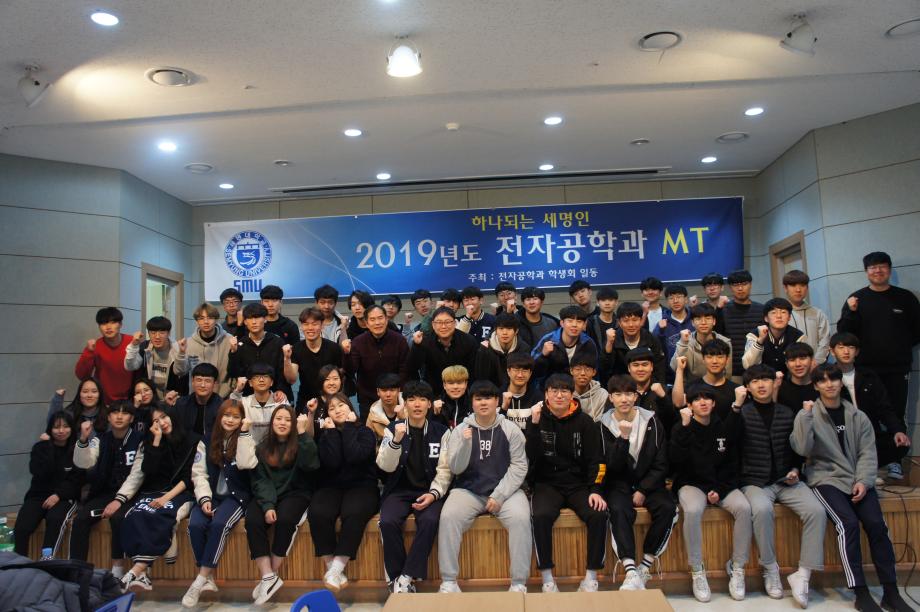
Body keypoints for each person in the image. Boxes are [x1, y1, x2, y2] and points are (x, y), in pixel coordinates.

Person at [791, 363, 914, 612]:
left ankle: (891, 592)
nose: (829, 384)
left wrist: (863, 481)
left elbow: (868, 453)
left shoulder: (858, 417)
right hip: (825, 480)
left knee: (877, 525)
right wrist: (805, 416)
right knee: (847, 524)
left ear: (841, 383)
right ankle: (861, 592)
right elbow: (802, 448)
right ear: (816, 386)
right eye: (823, 381)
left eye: (834, 379)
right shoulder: (808, 414)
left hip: (857, 478)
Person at [730, 364, 826, 608]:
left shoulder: (786, 412)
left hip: (787, 480)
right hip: (754, 481)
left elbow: (796, 447)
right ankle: (770, 568)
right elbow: (730, 443)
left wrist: (795, 469)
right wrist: (736, 407)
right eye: (755, 381)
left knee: (816, 511)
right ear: (748, 387)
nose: (761, 385)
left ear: (775, 383)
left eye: (766, 379)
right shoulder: (742, 413)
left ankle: (803, 574)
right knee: (762, 510)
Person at [437, 381, 531, 594]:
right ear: (472, 402)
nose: (483, 403)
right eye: (478, 399)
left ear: (497, 401)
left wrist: (500, 495)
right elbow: (455, 468)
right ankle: (449, 581)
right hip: (469, 490)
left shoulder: (511, 429)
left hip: (506, 491)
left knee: (521, 518)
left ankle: (518, 583)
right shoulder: (460, 430)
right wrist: (464, 444)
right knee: (449, 516)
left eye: (488, 398)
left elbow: (519, 466)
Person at [670, 385, 750, 602]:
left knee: (744, 507)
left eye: (707, 399)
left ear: (714, 403)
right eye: (697, 399)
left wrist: (719, 490)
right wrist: (684, 428)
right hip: (692, 484)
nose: (703, 402)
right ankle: (697, 570)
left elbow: (732, 464)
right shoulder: (682, 426)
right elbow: (675, 461)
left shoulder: (723, 426)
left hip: (721, 485)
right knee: (693, 510)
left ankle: (738, 567)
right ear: (689, 405)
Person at [527, 373, 607, 593]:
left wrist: (596, 489)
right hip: (547, 484)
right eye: (554, 391)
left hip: (578, 484)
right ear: (546, 395)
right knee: (540, 516)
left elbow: (597, 460)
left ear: (572, 395)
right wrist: (533, 426)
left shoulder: (585, 422)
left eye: (564, 391)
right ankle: (547, 578)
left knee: (598, 513)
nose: (559, 395)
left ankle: (591, 576)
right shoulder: (537, 419)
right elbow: (530, 456)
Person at [600, 375, 676, 591]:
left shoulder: (652, 421)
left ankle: (645, 566)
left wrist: (643, 489)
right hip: (619, 484)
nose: (624, 399)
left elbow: (661, 463)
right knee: (617, 509)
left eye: (628, 394)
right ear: (611, 398)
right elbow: (611, 466)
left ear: (635, 396)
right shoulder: (602, 425)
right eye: (618, 394)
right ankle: (630, 570)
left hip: (649, 483)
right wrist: (623, 439)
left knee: (668, 508)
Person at [376, 380, 452, 593]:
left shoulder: (442, 432)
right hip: (398, 491)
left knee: (430, 520)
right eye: (411, 399)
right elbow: (385, 466)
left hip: (429, 491)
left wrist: (434, 494)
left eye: (422, 399)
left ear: (429, 404)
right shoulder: (392, 429)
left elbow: (445, 469)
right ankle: (396, 577)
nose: (417, 404)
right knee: (387, 521)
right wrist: (396, 441)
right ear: (405, 404)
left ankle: (406, 576)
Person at [182, 399, 258, 608]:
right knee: (195, 525)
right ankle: (207, 577)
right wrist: (204, 498)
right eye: (227, 415)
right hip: (211, 496)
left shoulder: (246, 437)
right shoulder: (206, 440)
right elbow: (199, 473)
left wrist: (244, 434)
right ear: (219, 417)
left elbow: (246, 464)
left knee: (219, 525)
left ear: (242, 419)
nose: (230, 420)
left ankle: (199, 580)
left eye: (236, 416)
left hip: (236, 497)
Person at [119, 403, 199, 593]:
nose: (161, 423)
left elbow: (188, 478)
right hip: (153, 492)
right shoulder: (150, 442)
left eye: (164, 417)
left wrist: (166, 498)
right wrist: (156, 440)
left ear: (172, 415)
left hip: (180, 493)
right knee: (136, 514)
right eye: (155, 421)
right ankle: (141, 573)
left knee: (160, 513)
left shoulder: (192, 440)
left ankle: (135, 571)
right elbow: (149, 471)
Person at [246, 405, 319, 605]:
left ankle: (270, 575)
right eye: (278, 418)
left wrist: (303, 434)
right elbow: (261, 480)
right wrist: (268, 505)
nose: (283, 423)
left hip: (296, 493)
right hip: (268, 494)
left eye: (288, 420)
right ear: (272, 422)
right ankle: (268, 576)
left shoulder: (301, 441)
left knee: (286, 519)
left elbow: (311, 465)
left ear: (294, 424)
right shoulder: (262, 447)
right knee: (252, 519)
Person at [837, 251, 920, 424]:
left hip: (898, 369)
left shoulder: (906, 298)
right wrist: (851, 312)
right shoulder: (856, 299)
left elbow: (917, 331)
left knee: (897, 414)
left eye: (882, 266)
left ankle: (897, 442)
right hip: (865, 368)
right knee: (867, 416)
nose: (878, 270)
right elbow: (844, 334)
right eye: (873, 267)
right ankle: (872, 444)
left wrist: (900, 346)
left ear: (889, 269)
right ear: (866, 271)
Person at [308, 394, 379, 592]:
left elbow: (354, 456)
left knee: (354, 512)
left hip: (362, 485)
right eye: (331, 408)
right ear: (327, 414)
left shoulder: (365, 432)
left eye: (341, 405)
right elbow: (333, 462)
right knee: (318, 512)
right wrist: (331, 433)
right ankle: (332, 568)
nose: (337, 410)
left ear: (350, 408)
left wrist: (348, 428)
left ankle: (336, 568)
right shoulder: (325, 435)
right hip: (331, 486)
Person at [69, 401, 141, 577]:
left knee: (118, 518)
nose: (119, 416)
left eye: (124, 413)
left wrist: (119, 500)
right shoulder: (100, 439)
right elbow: (84, 463)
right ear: (108, 417)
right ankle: (77, 570)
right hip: (105, 493)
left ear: (131, 418)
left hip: (133, 495)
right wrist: (83, 439)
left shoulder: (140, 439)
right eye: (115, 412)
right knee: (81, 519)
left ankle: (117, 571)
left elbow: (137, 475)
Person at [830, 332, 912, 481]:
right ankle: (855, 471)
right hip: (840, 433)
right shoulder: (827, 376)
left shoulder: (868, 376)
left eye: (851, 347)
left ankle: (866, 468)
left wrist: (897, 431)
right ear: (832, 351)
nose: (846, 351)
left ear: (857, 352)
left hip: (868, 431)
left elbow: (884, 408)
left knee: (901, 444)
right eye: (841, 347)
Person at [14, 412, 82, 558]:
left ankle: (47, 560)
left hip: (64, 497)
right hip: (38, 495)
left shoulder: (78, 449)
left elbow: (76, 481)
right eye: (56, 427)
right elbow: (38, 472)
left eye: (65, 426)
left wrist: (58, 495)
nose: (61, 431)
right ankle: (19, 563)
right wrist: (49, 448)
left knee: (55, 519)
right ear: (50, 429)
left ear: (72, 428)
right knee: (22, 527)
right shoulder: (40, 448)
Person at [347, 304, 410, 418]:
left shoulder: (399, 340)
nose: (377, 323)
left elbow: (405, 370)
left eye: (380, 318)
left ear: (386, 320)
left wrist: (398, 393)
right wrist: (346, 354)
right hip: (367, 398)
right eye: (372, 319)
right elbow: (351, 370)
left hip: (394, 396)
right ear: (366, 323)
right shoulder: (358, 342)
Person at [408, 306, 481, 397]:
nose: (443, 326)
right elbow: (413, 367)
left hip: (463, 392)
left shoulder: (468, 341)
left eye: (447, 322)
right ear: (433, 325)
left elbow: (475, 372)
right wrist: (417, 346)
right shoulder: (425, 341)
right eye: (439, 322)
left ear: (455, 323)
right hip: (433, 393)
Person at [227, 303, 294, 400]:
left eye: (257, 317)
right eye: (250, 318)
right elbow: (233, 373)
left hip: (274, 395)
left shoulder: (277, 342)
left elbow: (282, 371)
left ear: (265, 319)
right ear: (245, 322)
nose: (254, 322)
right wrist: (233, 352)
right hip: (248, 397)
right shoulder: (240, 344)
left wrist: (281, 389)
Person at [289, 307, 346, 413]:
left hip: (331, 399)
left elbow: (341, 376)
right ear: (301, 326)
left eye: (315, 324)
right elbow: (291, 379)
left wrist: (338, 400)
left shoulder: (334, 348)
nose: (310, 328)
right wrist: (286, 358)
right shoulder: (296, 349)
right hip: (306, 399)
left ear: (322, 325)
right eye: (306, 324)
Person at [75, 306, 134, 404]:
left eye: (113, 322)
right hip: (103, 401)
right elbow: (82, 376)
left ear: (120, 324)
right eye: (103, 323)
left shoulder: (132, 342)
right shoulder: (95, 346)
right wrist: (89, 352)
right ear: (99, 327)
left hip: (131, 400)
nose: (108, 327)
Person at [124, 316, 189, 399]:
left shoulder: (177, 349)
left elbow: (180, 372)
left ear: (168, 333)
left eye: (162, 333)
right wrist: (134, 345)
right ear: (148, 333)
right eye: (153, 333)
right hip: (149, 399)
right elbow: (130, 367)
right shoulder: (144, 347)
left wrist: (181, 354)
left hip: (172, 398)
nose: (157, 337)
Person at [532, 305, 599, 387]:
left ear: (584, 325)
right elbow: (532, 370)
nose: (574, 325)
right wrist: (543, 356)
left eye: (579, 321)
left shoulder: (588, 343)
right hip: (551, 388)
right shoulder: (548, 340)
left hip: (578, 388)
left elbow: (593, 371)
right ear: (562, 323)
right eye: (570, 321)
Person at [672, 340, 740, 419]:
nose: (714, 361)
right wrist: (680, 370)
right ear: (703, 359)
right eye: (709, 357)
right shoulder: (693, 387)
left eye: (720, 357)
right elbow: (678, 403)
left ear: (727, 359)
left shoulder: (736, 390)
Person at [605, 302, 666, 384]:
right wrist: (609, 344)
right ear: (619, 323)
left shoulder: (651, 339)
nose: (631, 325)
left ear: (641, 320)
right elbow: (605, 370)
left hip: (648, 386)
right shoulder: (612, 339)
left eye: (635, 320)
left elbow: (660, 370)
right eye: (626, 321)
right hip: (621, 386)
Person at [229, 363, 290, 444]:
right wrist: (237, 390)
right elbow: (230, 410)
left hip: (275, 447)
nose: (261, 380)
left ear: (271, 382)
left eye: (265, 376)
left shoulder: (280, 401)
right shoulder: (244, 402)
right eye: (256, 377)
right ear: (250, 383)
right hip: (248, 447)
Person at [742, 298, 804, 375]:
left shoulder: (798, 336)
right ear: (766, 318)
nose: (779, 316)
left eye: (783, 312)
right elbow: (748, 365)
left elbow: (800, 365)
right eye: (773, 312)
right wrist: (760, 341)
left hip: (788, 380)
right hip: (761, 379)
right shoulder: (754, 335)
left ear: (789, 317)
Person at [670, 303, 733, 379]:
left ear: (714, 321)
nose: (703, 323)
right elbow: (674, 367)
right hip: (691, 385)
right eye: (698, 319)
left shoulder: (725, 342)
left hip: (717, 384)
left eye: (708, 318)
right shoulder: (686, 341)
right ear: (692, 322)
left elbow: (727, 374)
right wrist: (683, 344)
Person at [721, 269, 764, 378]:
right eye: (735, 285)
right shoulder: (723, 311)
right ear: (730, 287)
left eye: (744, 284)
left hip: (758, 370)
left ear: (750, 285)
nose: (740, 288)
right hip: (731, 371)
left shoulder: (762, 310)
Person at [185, 302, 234, 397]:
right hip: (196, 396)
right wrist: (181, 354)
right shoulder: (189, 343)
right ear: (197, 321)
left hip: (223, 395)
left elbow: (234, 370)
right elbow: (180, 371)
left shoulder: (229, 340)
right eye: (201, 318)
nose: (206, 322)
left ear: (216, 320)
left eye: (210, 318)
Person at [783, 270, 831, 365]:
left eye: (802, 285)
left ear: (807, 288)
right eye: (793, 285)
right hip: (789, 367)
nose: (798, 290)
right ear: (785, 288)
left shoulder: (818, 314)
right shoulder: (780, 315)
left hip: (816, 367)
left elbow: (825, 341)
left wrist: (816, 362)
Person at [475, 312, 531, 388]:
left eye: (509, 329)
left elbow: (524, 376)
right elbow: (482, 379)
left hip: (515, 390)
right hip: (491, 392)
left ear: (516, 331)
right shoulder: (485, 349)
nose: (504, 333)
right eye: (501, 328)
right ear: (495, 330)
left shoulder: (524, 348)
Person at [171, 363, 223, 437]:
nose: (202, 385)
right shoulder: (181, 404)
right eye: (199, 380)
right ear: (192, 381)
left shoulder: (221, 406)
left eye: (207, 381)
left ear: (214, 384)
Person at [656, 284, 694, 375]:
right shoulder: (662, 323)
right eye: (671, 298)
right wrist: (661, 332)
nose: (675, 301)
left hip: (695, 373)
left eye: (679, 297)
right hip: (671, 374)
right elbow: (657, 349)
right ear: (667, 302)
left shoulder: (695, 320)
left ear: (686, 299)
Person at [500, 353, 541, 429]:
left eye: (524, 370)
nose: (520, 375)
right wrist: (503, 409)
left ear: (530, 373)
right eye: (516, 370)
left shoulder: (538, 398)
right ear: (508, 371)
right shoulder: (497, 396)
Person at [777, 343, 819, 413]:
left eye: (802, 358)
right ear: (786, 364)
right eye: (792, 360)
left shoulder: (821, 388)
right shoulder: (779, 389)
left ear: (812, 361)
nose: (798, 364)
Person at [570, 353, 608, 421]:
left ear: (594, 372)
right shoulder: (564, 393)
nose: (583, 373)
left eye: (587, 369)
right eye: (578, 369)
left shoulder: (602, 394)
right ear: (571, 371)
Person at [367, 373, 403, 442]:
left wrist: (403, 418)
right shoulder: (373, 412)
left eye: (392, 390)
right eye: (384, 390)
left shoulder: (409, 407)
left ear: (398, 391)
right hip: (384, 448)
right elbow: (369, 440)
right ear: (378, 392)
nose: (388, 394)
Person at [586, 286, 619, 360]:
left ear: (616, 302)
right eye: (603, 300)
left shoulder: (620, 322)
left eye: (610, 300)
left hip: (616, 362)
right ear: (597, 303)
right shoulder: (590, 322)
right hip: (595, 362)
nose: (607, 303)